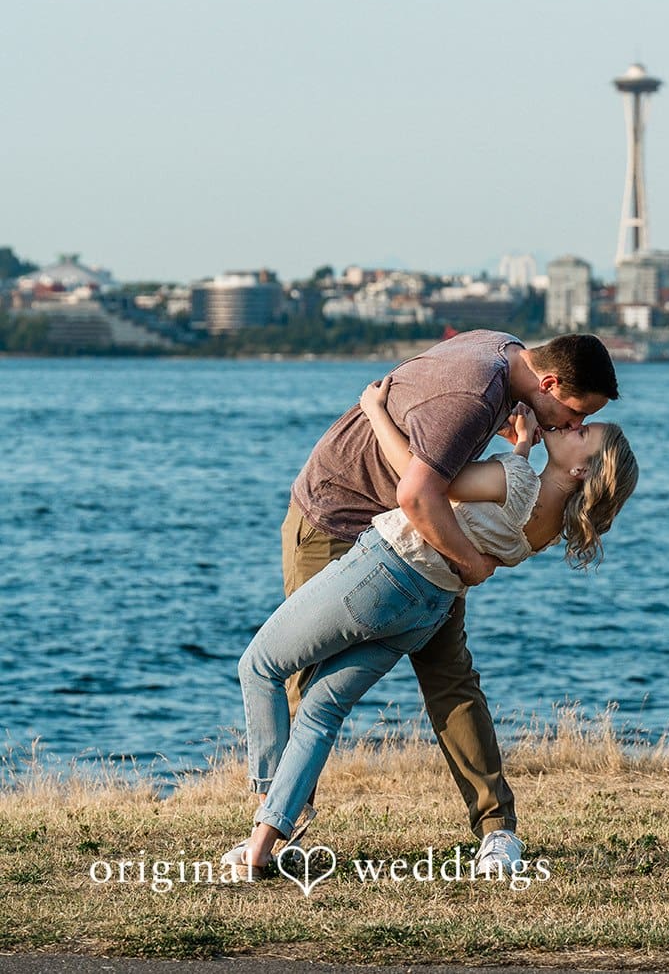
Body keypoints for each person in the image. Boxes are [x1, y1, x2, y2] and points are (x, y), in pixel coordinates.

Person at [226, 377, 638, 880]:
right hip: (428, 609)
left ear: (579, 469)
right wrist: (526, 446)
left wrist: (375, 409)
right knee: (322, 707)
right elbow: (505, 510)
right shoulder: (553, 522)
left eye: (582, 434)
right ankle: (262, 847)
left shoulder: (516, 479)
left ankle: (267, 810)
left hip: (383, 573)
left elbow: (417, 482)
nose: (574, 425)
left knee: (260, 667)